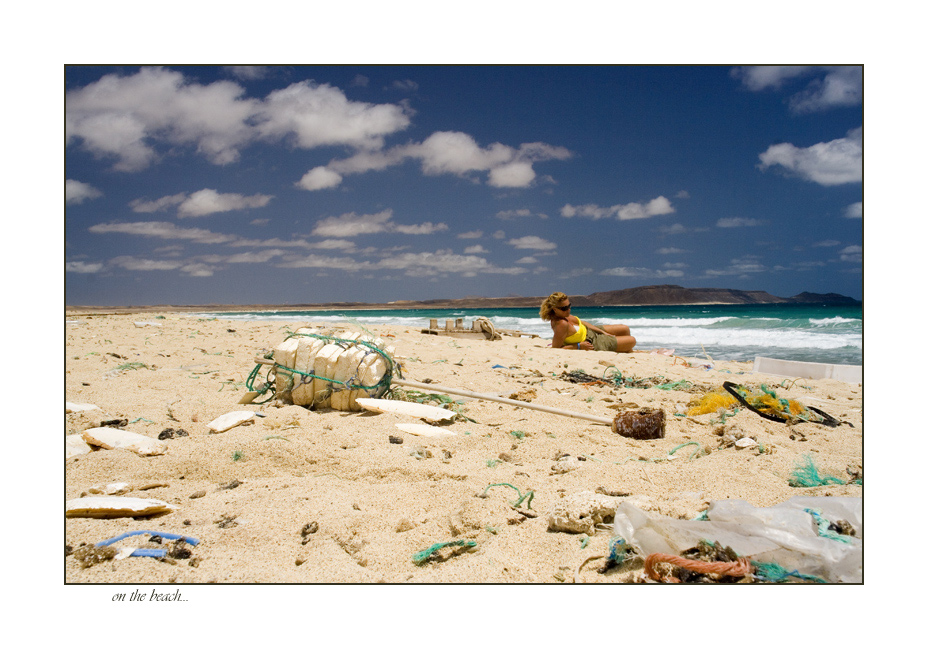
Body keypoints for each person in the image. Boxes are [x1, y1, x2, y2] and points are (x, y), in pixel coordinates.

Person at [540, 291, 636, 352]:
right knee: (632, 340)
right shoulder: (561, 324)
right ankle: (626, 349)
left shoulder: (565, 315)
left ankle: (627, 349)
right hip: (592, 342)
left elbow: (583, 323)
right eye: (564, 308)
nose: (568, 310)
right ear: (555, 309)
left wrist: (601, 331)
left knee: (625, 329)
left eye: (569, 306)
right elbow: (556, 349)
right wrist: (578, 346)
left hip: (589, 331)